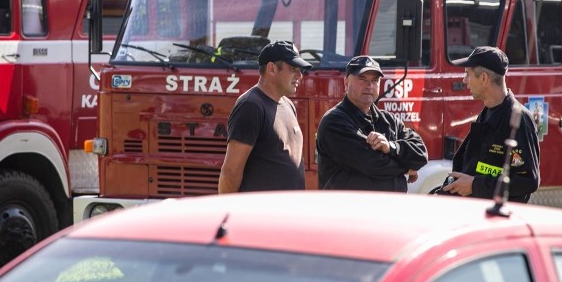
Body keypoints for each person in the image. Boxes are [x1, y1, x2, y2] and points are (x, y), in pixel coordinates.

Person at [438, 46, 540, 203]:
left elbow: (527, 181)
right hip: (477, 210)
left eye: (467, 74)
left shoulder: (519, 119)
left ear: (483, 78)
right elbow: (476, 167)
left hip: (499, 218)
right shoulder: (487, 113)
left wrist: (475, 185)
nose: (464, 80)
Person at [316, 56, 428, 192]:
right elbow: (373, 165)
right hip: (348, 210)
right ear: (346, 82)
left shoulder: (390, 120)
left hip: (388, 210)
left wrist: (391, 147)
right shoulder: (334, 122)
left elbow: (421, 153)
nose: (369, 86)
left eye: (375, 80)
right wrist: (407, 167)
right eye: (362, 79)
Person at [218, 40, 312, 193]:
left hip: (286, 212)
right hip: (258, 214)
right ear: (271, 69)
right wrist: (229, 211)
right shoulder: (251, 106)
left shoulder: (288, 104)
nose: (300, 76)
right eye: (293, 69)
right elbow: (230, 172)